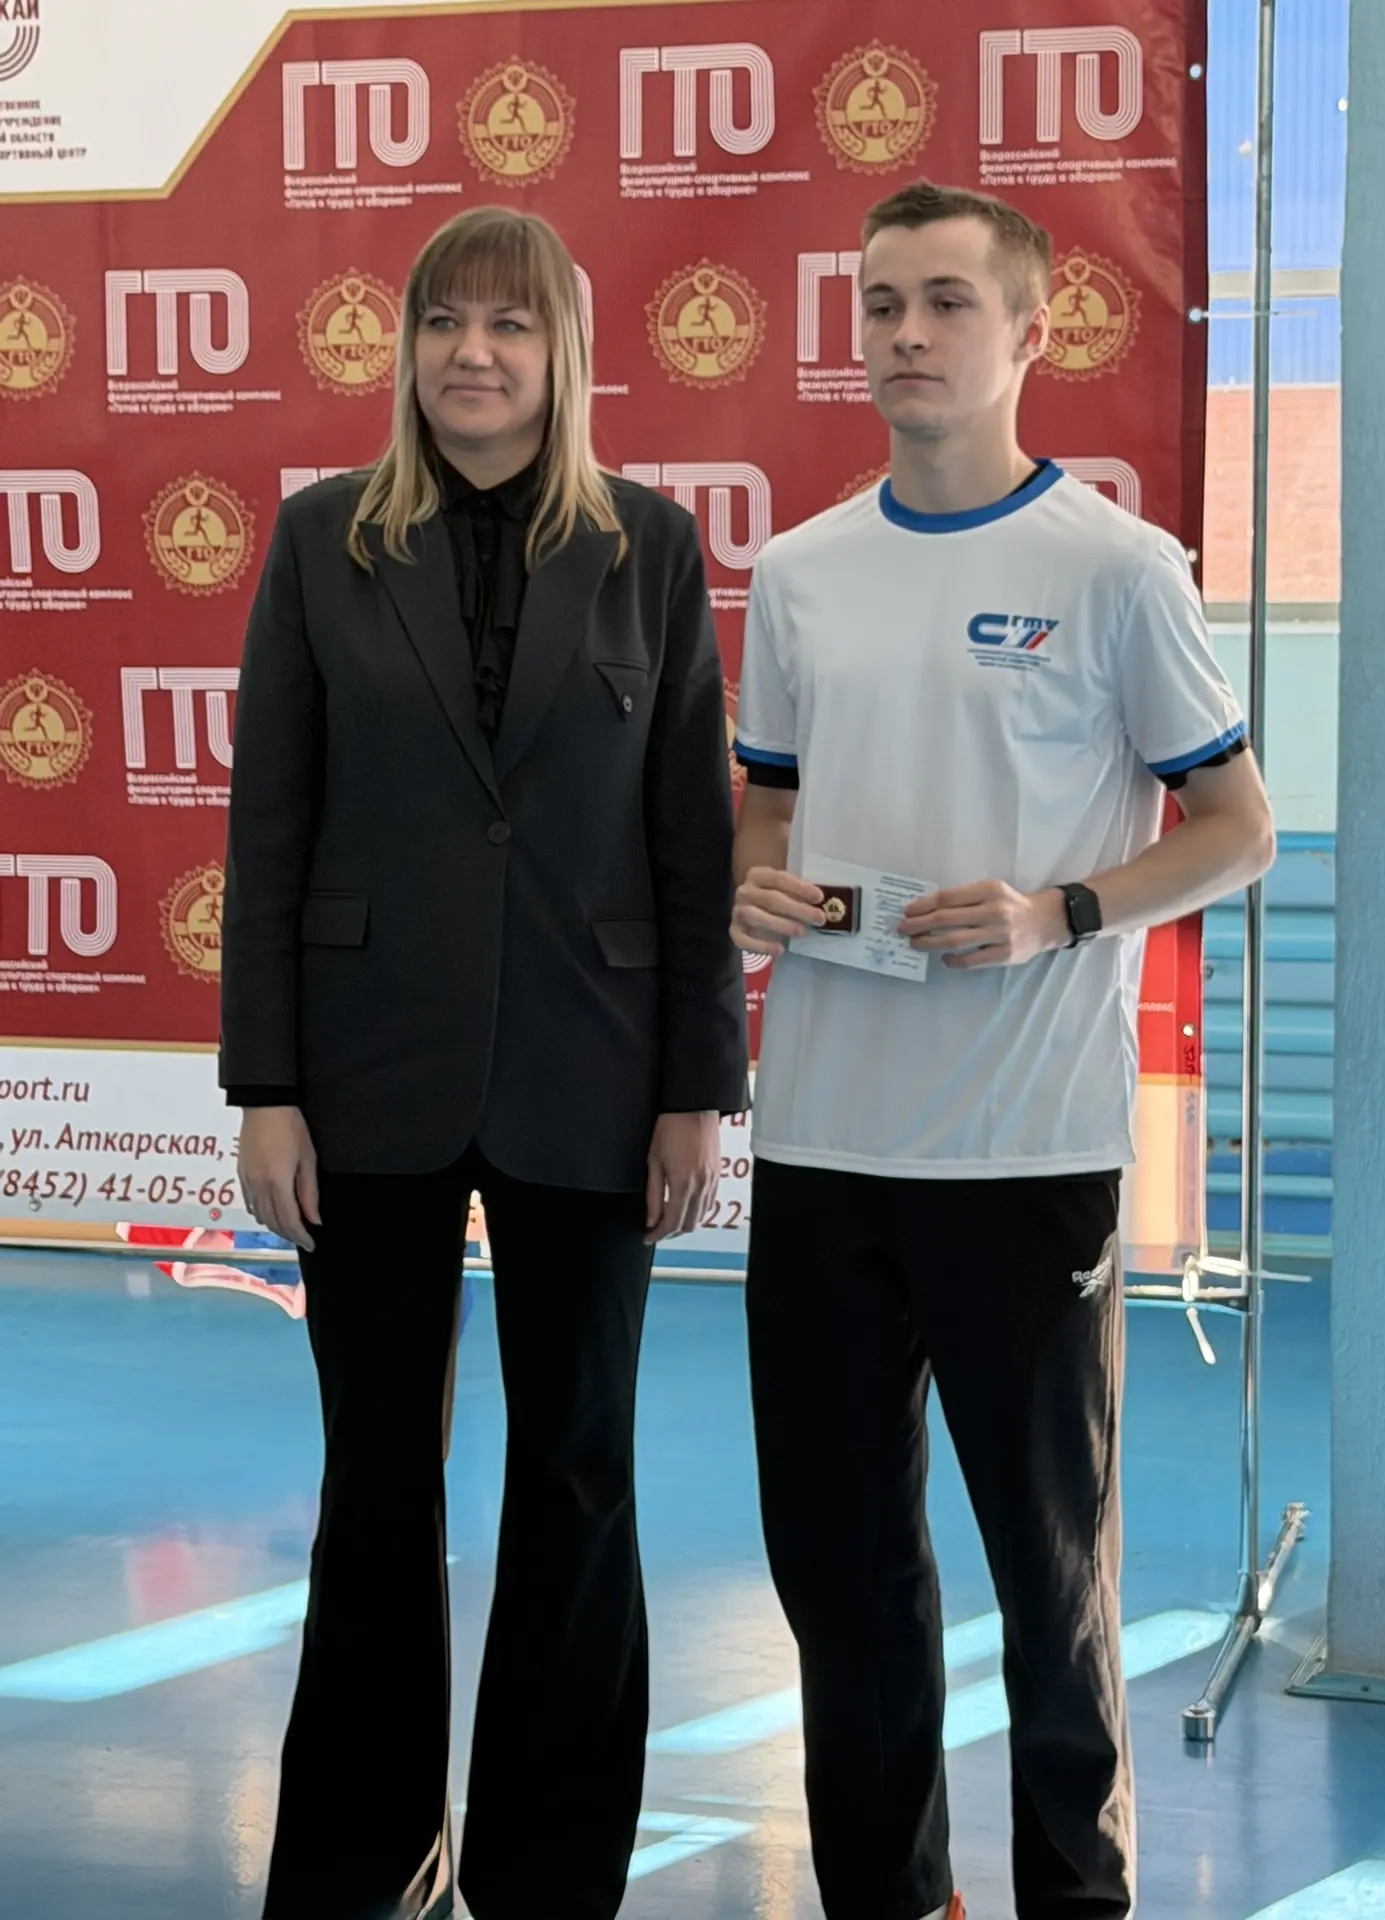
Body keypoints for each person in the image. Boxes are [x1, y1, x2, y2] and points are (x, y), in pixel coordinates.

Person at [730, 180, 1276, 1920]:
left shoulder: (1116, 568)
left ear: (1031, 334)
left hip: (1028, 1160)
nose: (906, 333)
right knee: (841, 1580)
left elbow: (1239, 826)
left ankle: (1073, 1899)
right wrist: (754, 883)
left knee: (1052, 1585)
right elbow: (767, 804)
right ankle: (890, 1897)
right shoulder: (800, 573)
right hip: (823, 1153)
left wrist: (1062, 911)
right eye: (882, 302)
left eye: (947, 302)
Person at [221, 205, 747, 1920]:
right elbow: (270, 826)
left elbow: (690, 844)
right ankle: (364, 1859)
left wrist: (697, 1090)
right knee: (375, 1477)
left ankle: (547, 1870)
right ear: (407, 349)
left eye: (510, 325)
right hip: (364, 1077)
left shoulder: (652, 548)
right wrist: (264, 1088)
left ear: (563, 352)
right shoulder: (320, 540)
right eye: (445, 321)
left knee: (579, 1473)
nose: (473, 353)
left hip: (596, 1074)